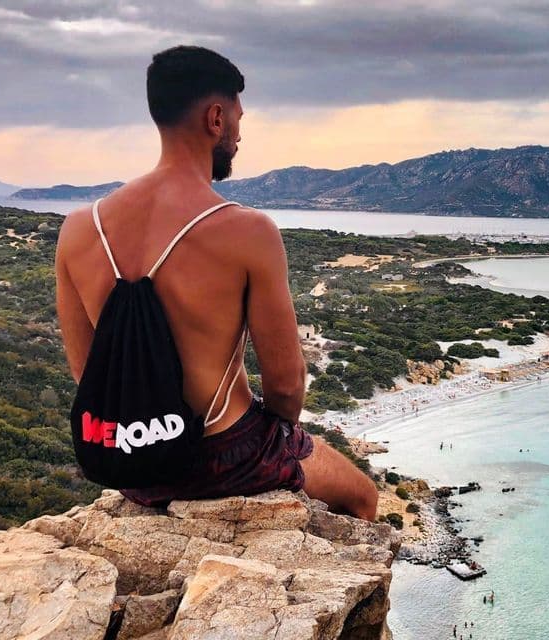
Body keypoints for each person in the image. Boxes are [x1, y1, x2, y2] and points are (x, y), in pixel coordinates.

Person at [55, 45, 376, 521]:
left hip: (131, 461)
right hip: (224, 456)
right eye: (239, 120)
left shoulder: (80, 229)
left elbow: (87, 373)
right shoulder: (246, 231)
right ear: (215, 118)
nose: (240, 135)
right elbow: (286, 388)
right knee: (363, 495)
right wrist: (280, 439)